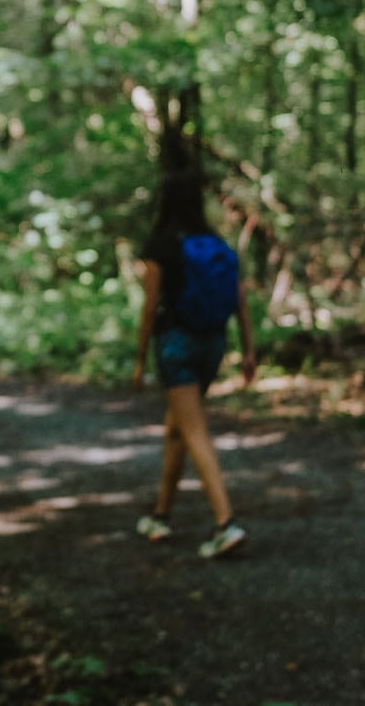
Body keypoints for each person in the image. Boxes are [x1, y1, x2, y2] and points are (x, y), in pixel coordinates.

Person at [130, 169, 256, 558]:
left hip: (176, 345)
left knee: (194, 429)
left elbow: (151, 308)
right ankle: (161, 515)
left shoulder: (161, 246)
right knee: (178, 428)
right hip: (213, 344)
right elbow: (239, 300)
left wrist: (138, 359)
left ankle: (225, 523)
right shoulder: (214, 243)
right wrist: (249, 351)